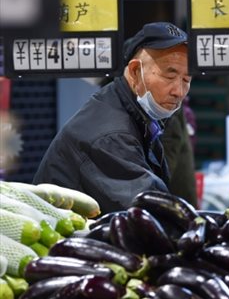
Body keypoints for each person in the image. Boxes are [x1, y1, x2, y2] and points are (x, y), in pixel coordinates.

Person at [34, 22, 191, 213]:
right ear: (135, 71)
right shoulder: (112, 137)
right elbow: (152, 212)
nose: (179, 91)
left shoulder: (134, 111)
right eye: (169, 76)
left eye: (186, 80)